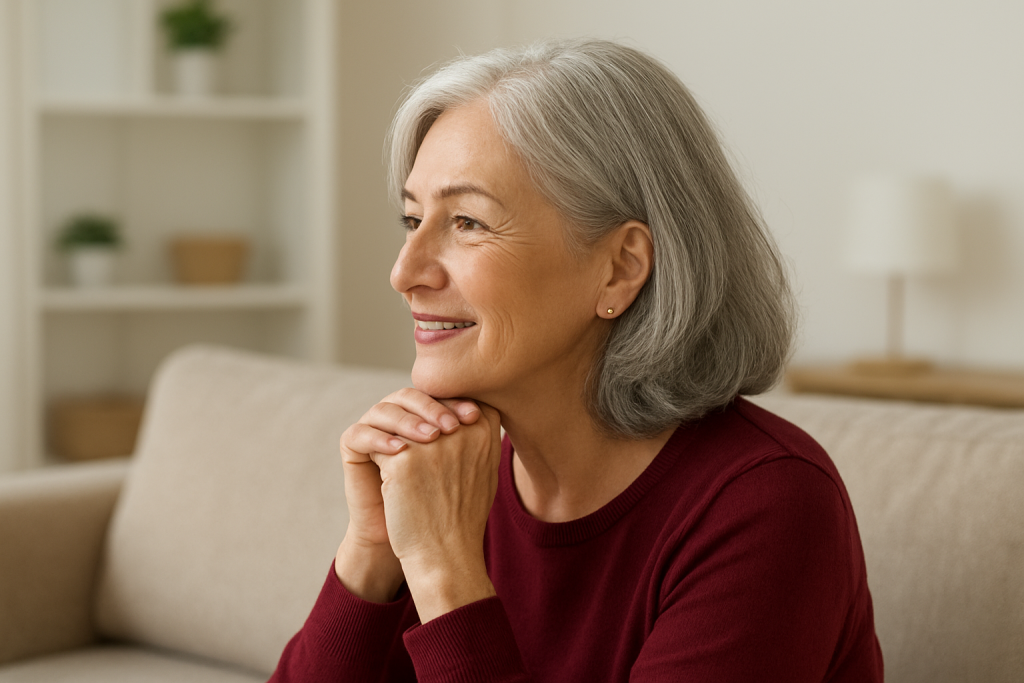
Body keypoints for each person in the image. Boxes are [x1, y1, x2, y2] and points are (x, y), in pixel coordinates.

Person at [270, 38, 883, 682]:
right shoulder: (451, 479)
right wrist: (372, 554)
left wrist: (444, 569)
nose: (405, 273)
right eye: (412, 219)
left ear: (620, 268)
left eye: (468, 222)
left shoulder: (768, 502)